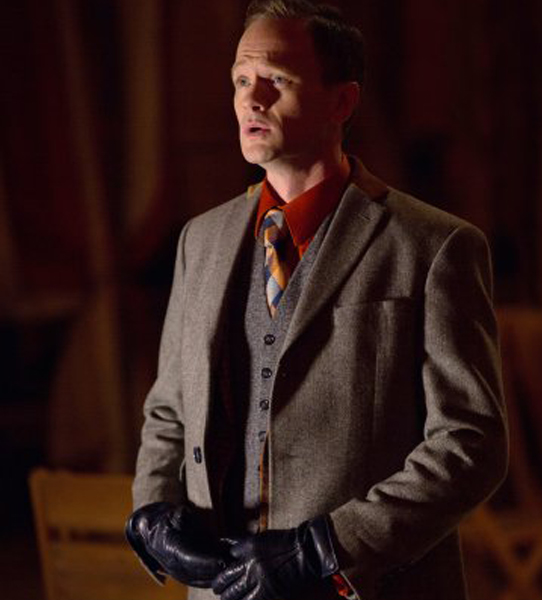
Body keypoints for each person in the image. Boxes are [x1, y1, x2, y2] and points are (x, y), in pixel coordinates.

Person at [126, 1, 508, 599]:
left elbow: (471, 443)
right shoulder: (199, 242)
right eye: (241, 80)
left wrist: (329, 548)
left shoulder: (433, 247)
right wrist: (152, 512)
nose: (252, 100)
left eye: (277, 80)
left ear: (342, 102)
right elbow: (169, 413)